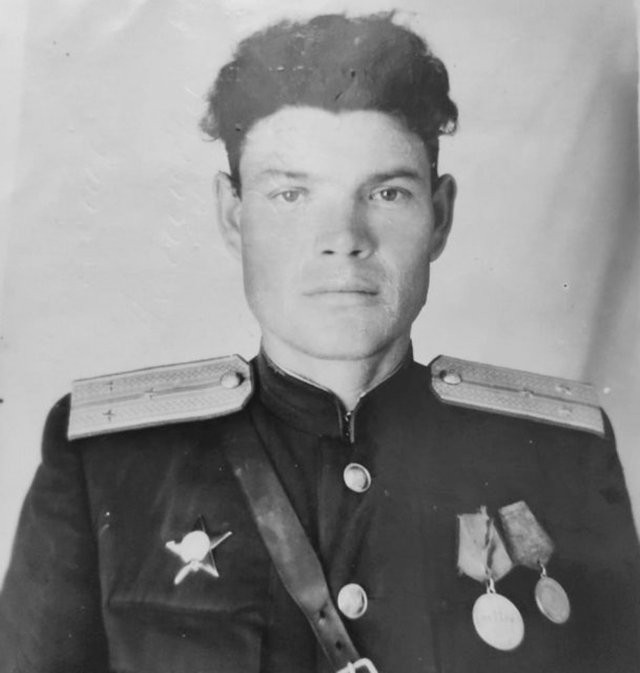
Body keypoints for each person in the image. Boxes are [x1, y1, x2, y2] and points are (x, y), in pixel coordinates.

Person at [1, 12, 639, 673]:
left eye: (386, 192)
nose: (344, 237)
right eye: (291, 194)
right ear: (233, 215)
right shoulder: (109, 467)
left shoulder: (562, 459)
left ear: (440, 216)